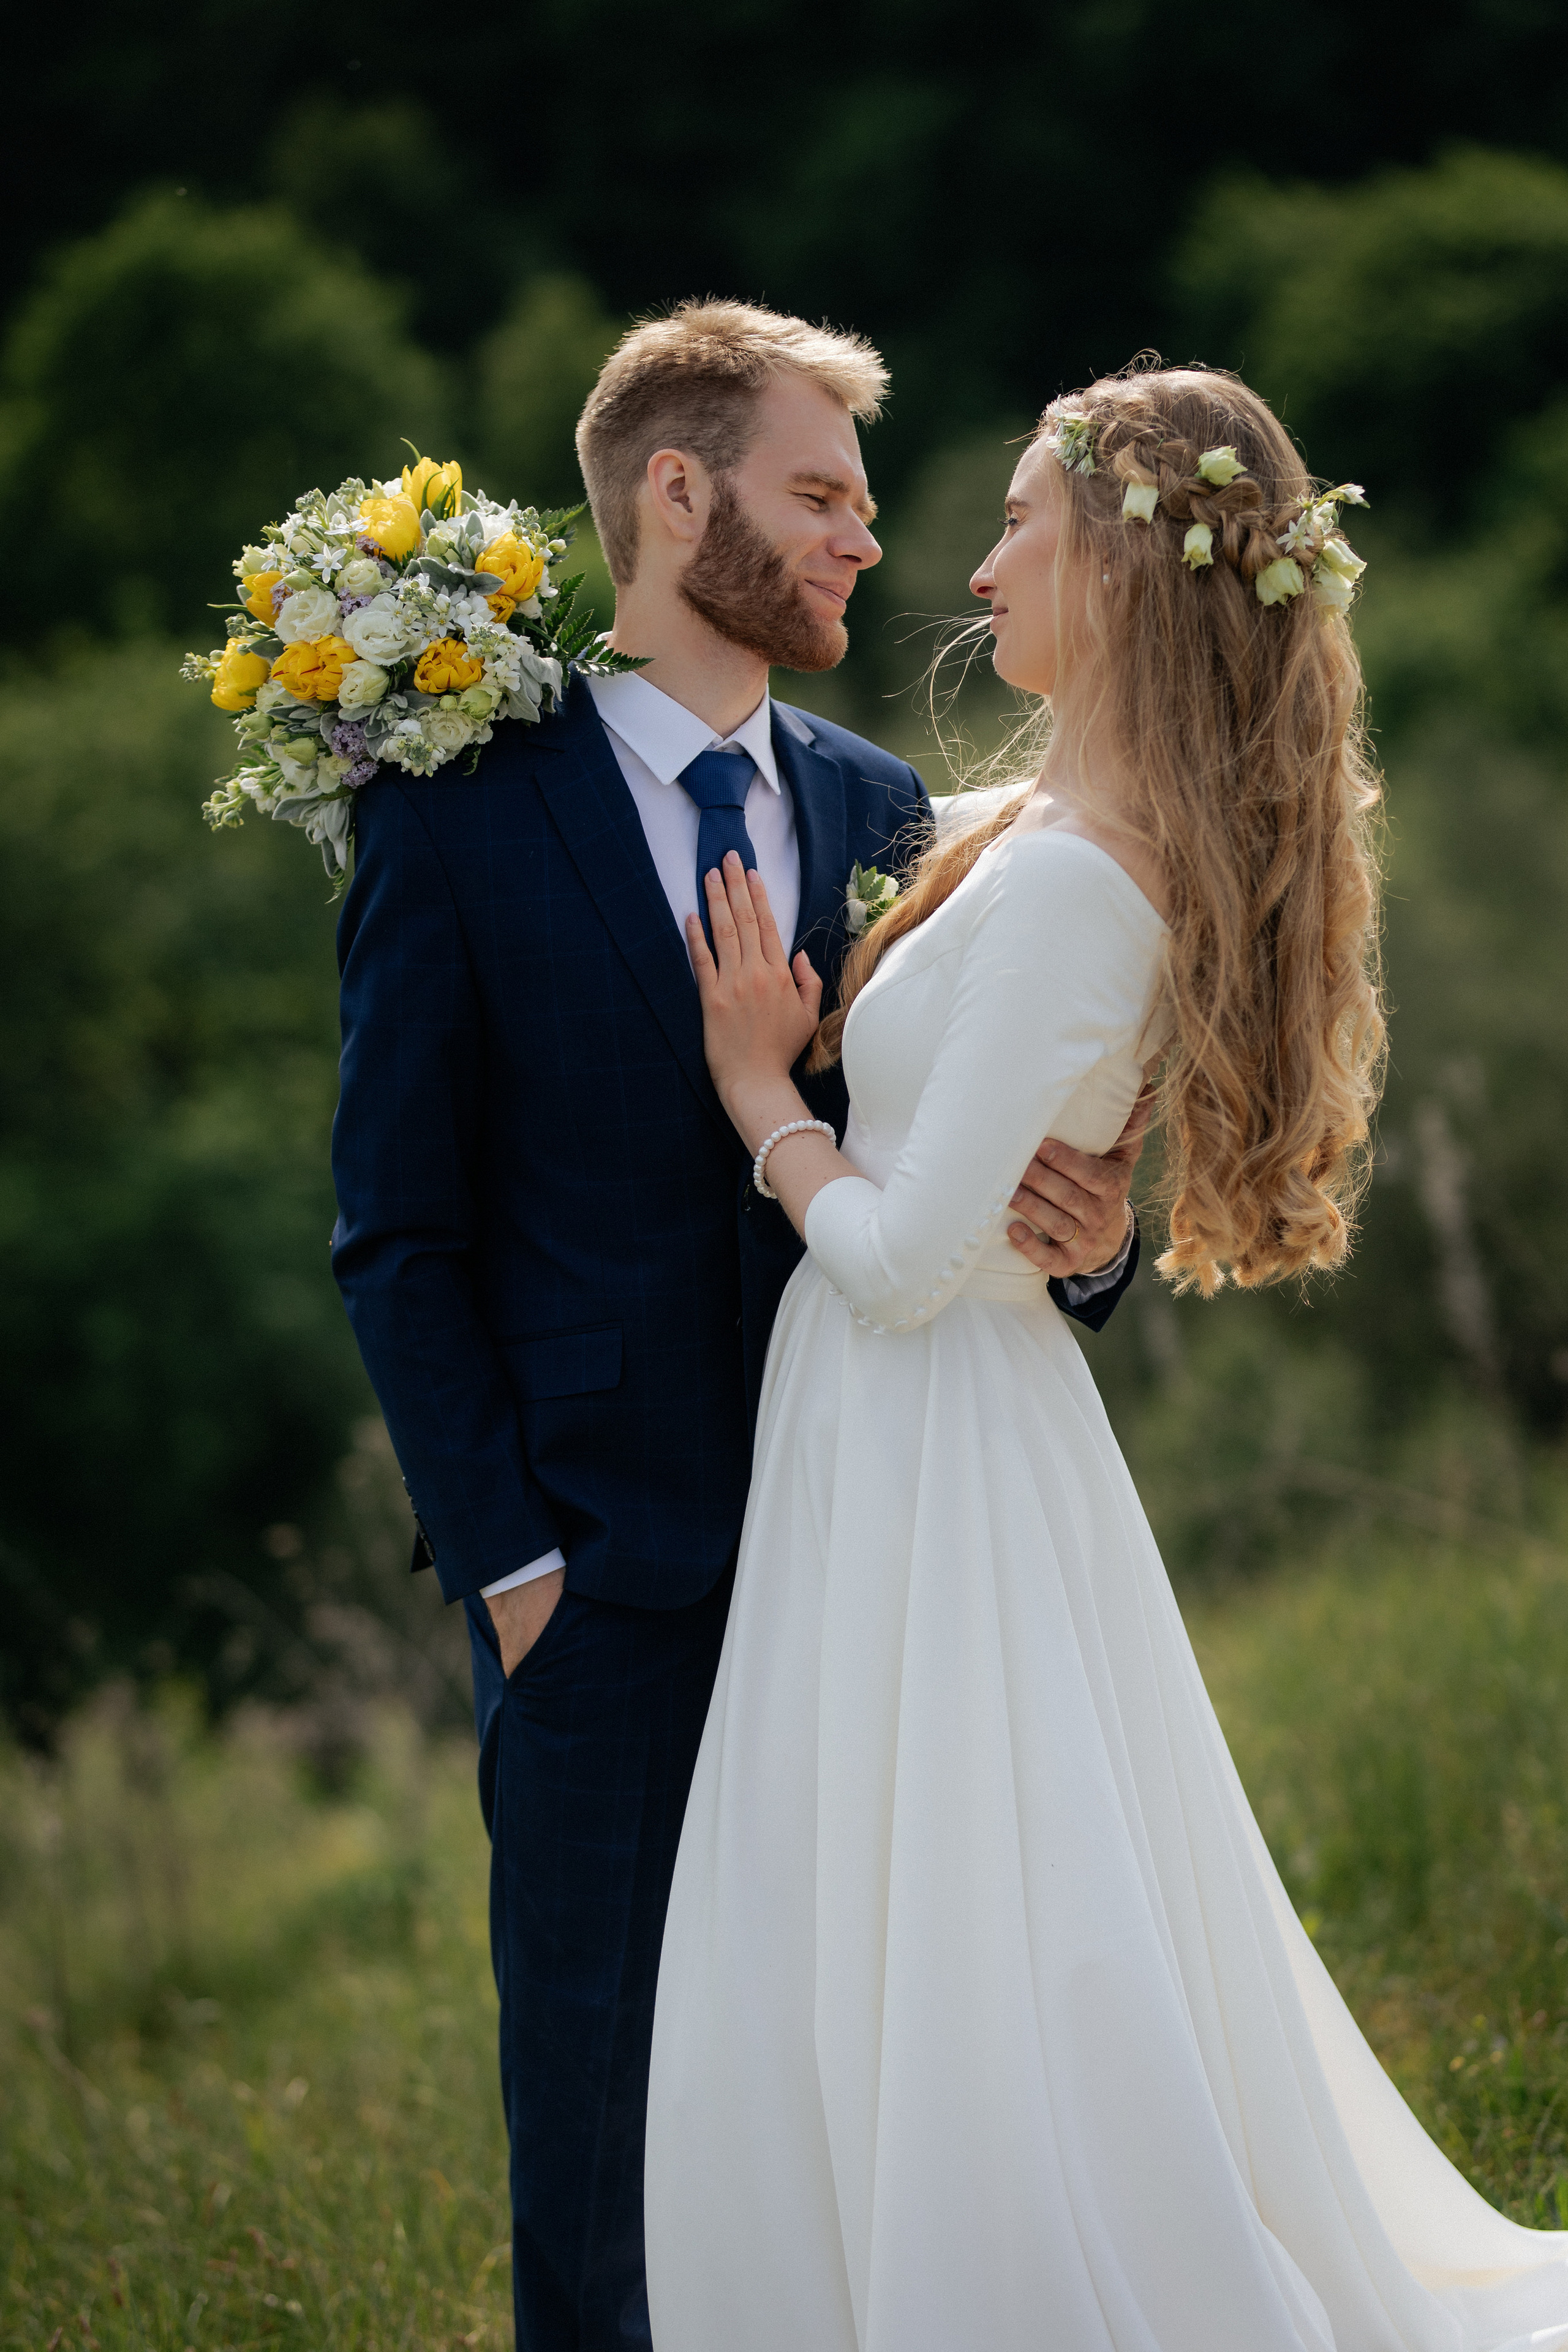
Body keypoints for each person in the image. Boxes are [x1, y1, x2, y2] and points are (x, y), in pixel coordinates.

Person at [645, 364, 1568, 2351]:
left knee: (969, 1911)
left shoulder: (1074, 879)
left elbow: (896, 1260)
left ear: (1128, 580)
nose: (973, 570)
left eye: (1018, 530)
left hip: (923, 1425)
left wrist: (756, 1089)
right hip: (913, 1431)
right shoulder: (1022, 826)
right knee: (925, 1902)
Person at [328, 300, 1148, 2352]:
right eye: (818, 497)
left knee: (869, 2126)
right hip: (609, 1590)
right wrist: (516, 1570)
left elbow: (992, 1158)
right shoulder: (457, 810)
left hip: (891, 1582)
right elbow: (397, 1234)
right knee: (604, 2155)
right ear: (673, 496)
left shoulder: (899, 811)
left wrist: (1098, 1234)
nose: (869, 543)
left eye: (867, 506)